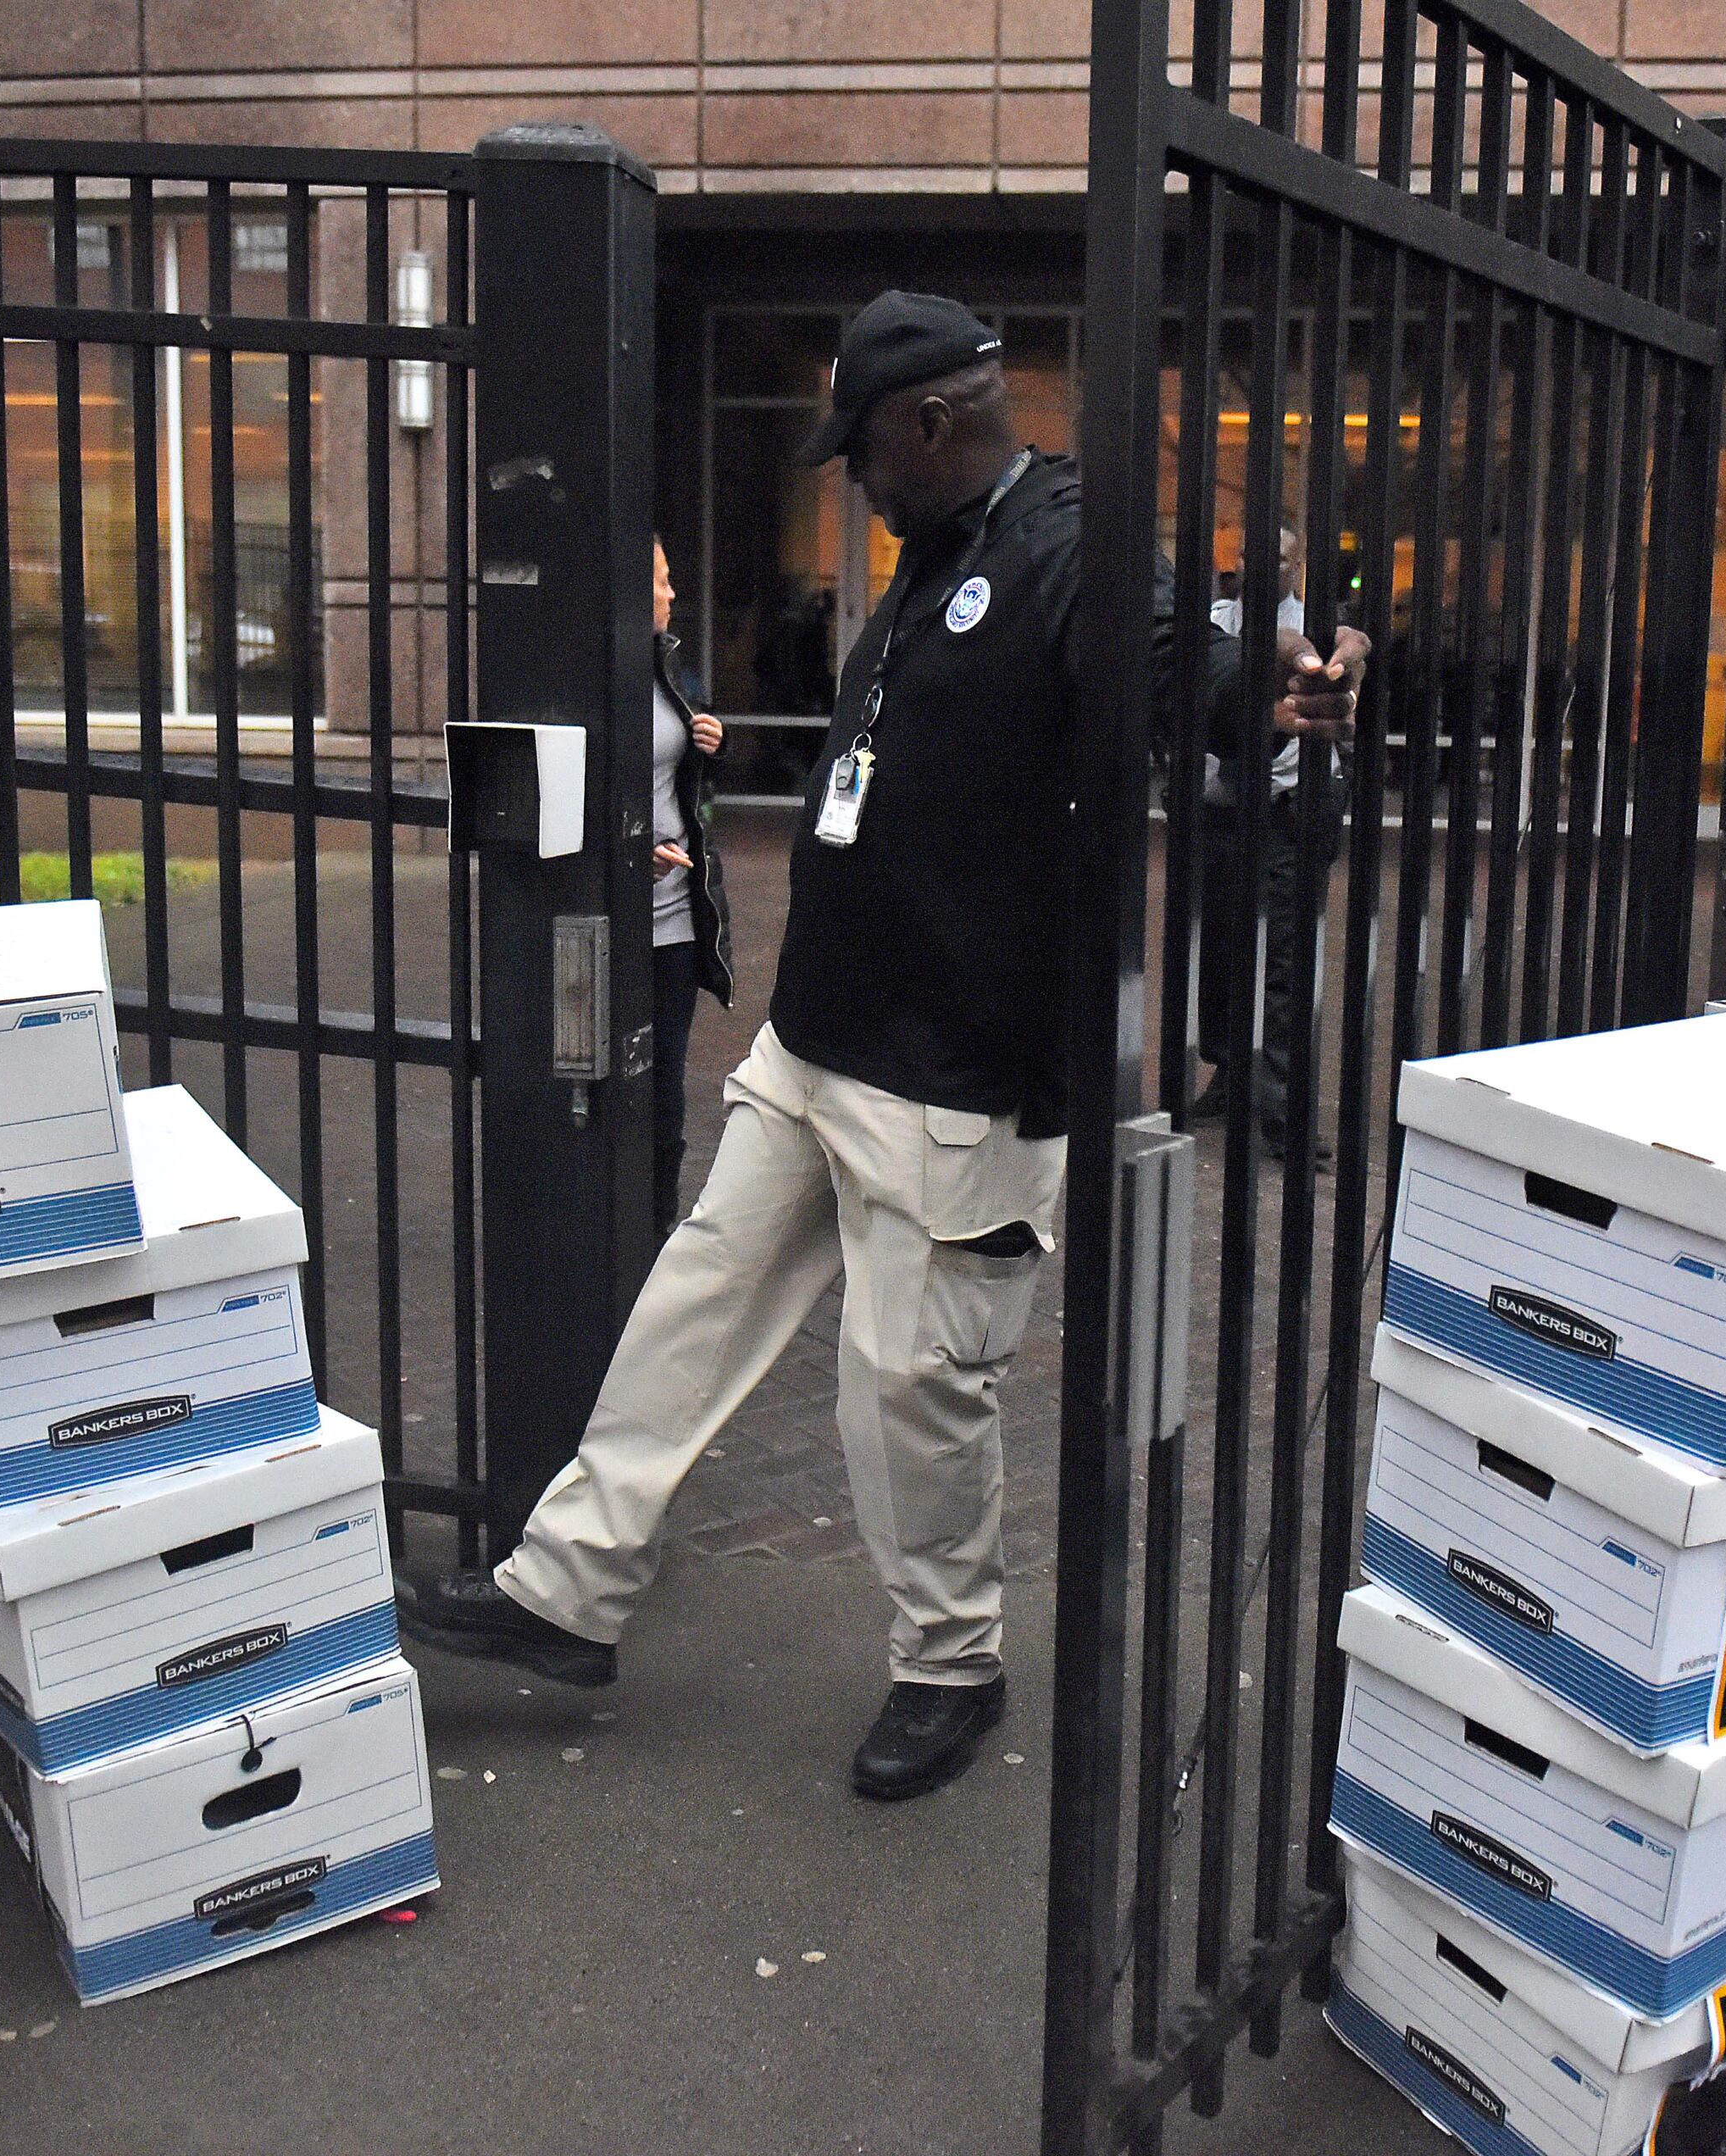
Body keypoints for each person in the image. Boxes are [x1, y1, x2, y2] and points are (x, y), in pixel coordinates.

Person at [400, 291, 1370, 1802]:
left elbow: (1186, 659)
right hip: (818, 1041)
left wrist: (1282, 685)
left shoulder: (1067, 547)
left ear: (930, 421)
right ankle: (566, 1590)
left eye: (860, 448)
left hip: (960, 1073)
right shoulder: (937, 551)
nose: (850, 477)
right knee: (694, 1303)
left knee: (907, 1390)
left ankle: (952, 1662)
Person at [1194, 524, 1346, 1164]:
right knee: (1222, 949)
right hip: (1223, 809)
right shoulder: (1212, 622)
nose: (1261, 566)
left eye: (1278, 557)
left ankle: (1286, 1113)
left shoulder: (1318, 633)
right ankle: (1230, 1074)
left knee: (1284, 964)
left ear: (1296, 564)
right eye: (1250, 553)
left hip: (1289, 809)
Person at [648, 537, 734, 1234]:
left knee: (663, 1086)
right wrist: (624, 854)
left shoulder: (670, 666)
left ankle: (654, 1223)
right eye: (661, 580)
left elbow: (688, 786)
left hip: (675, 914)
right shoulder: (587, 675)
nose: (672, 594)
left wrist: (711, 744)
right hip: (608, 919)